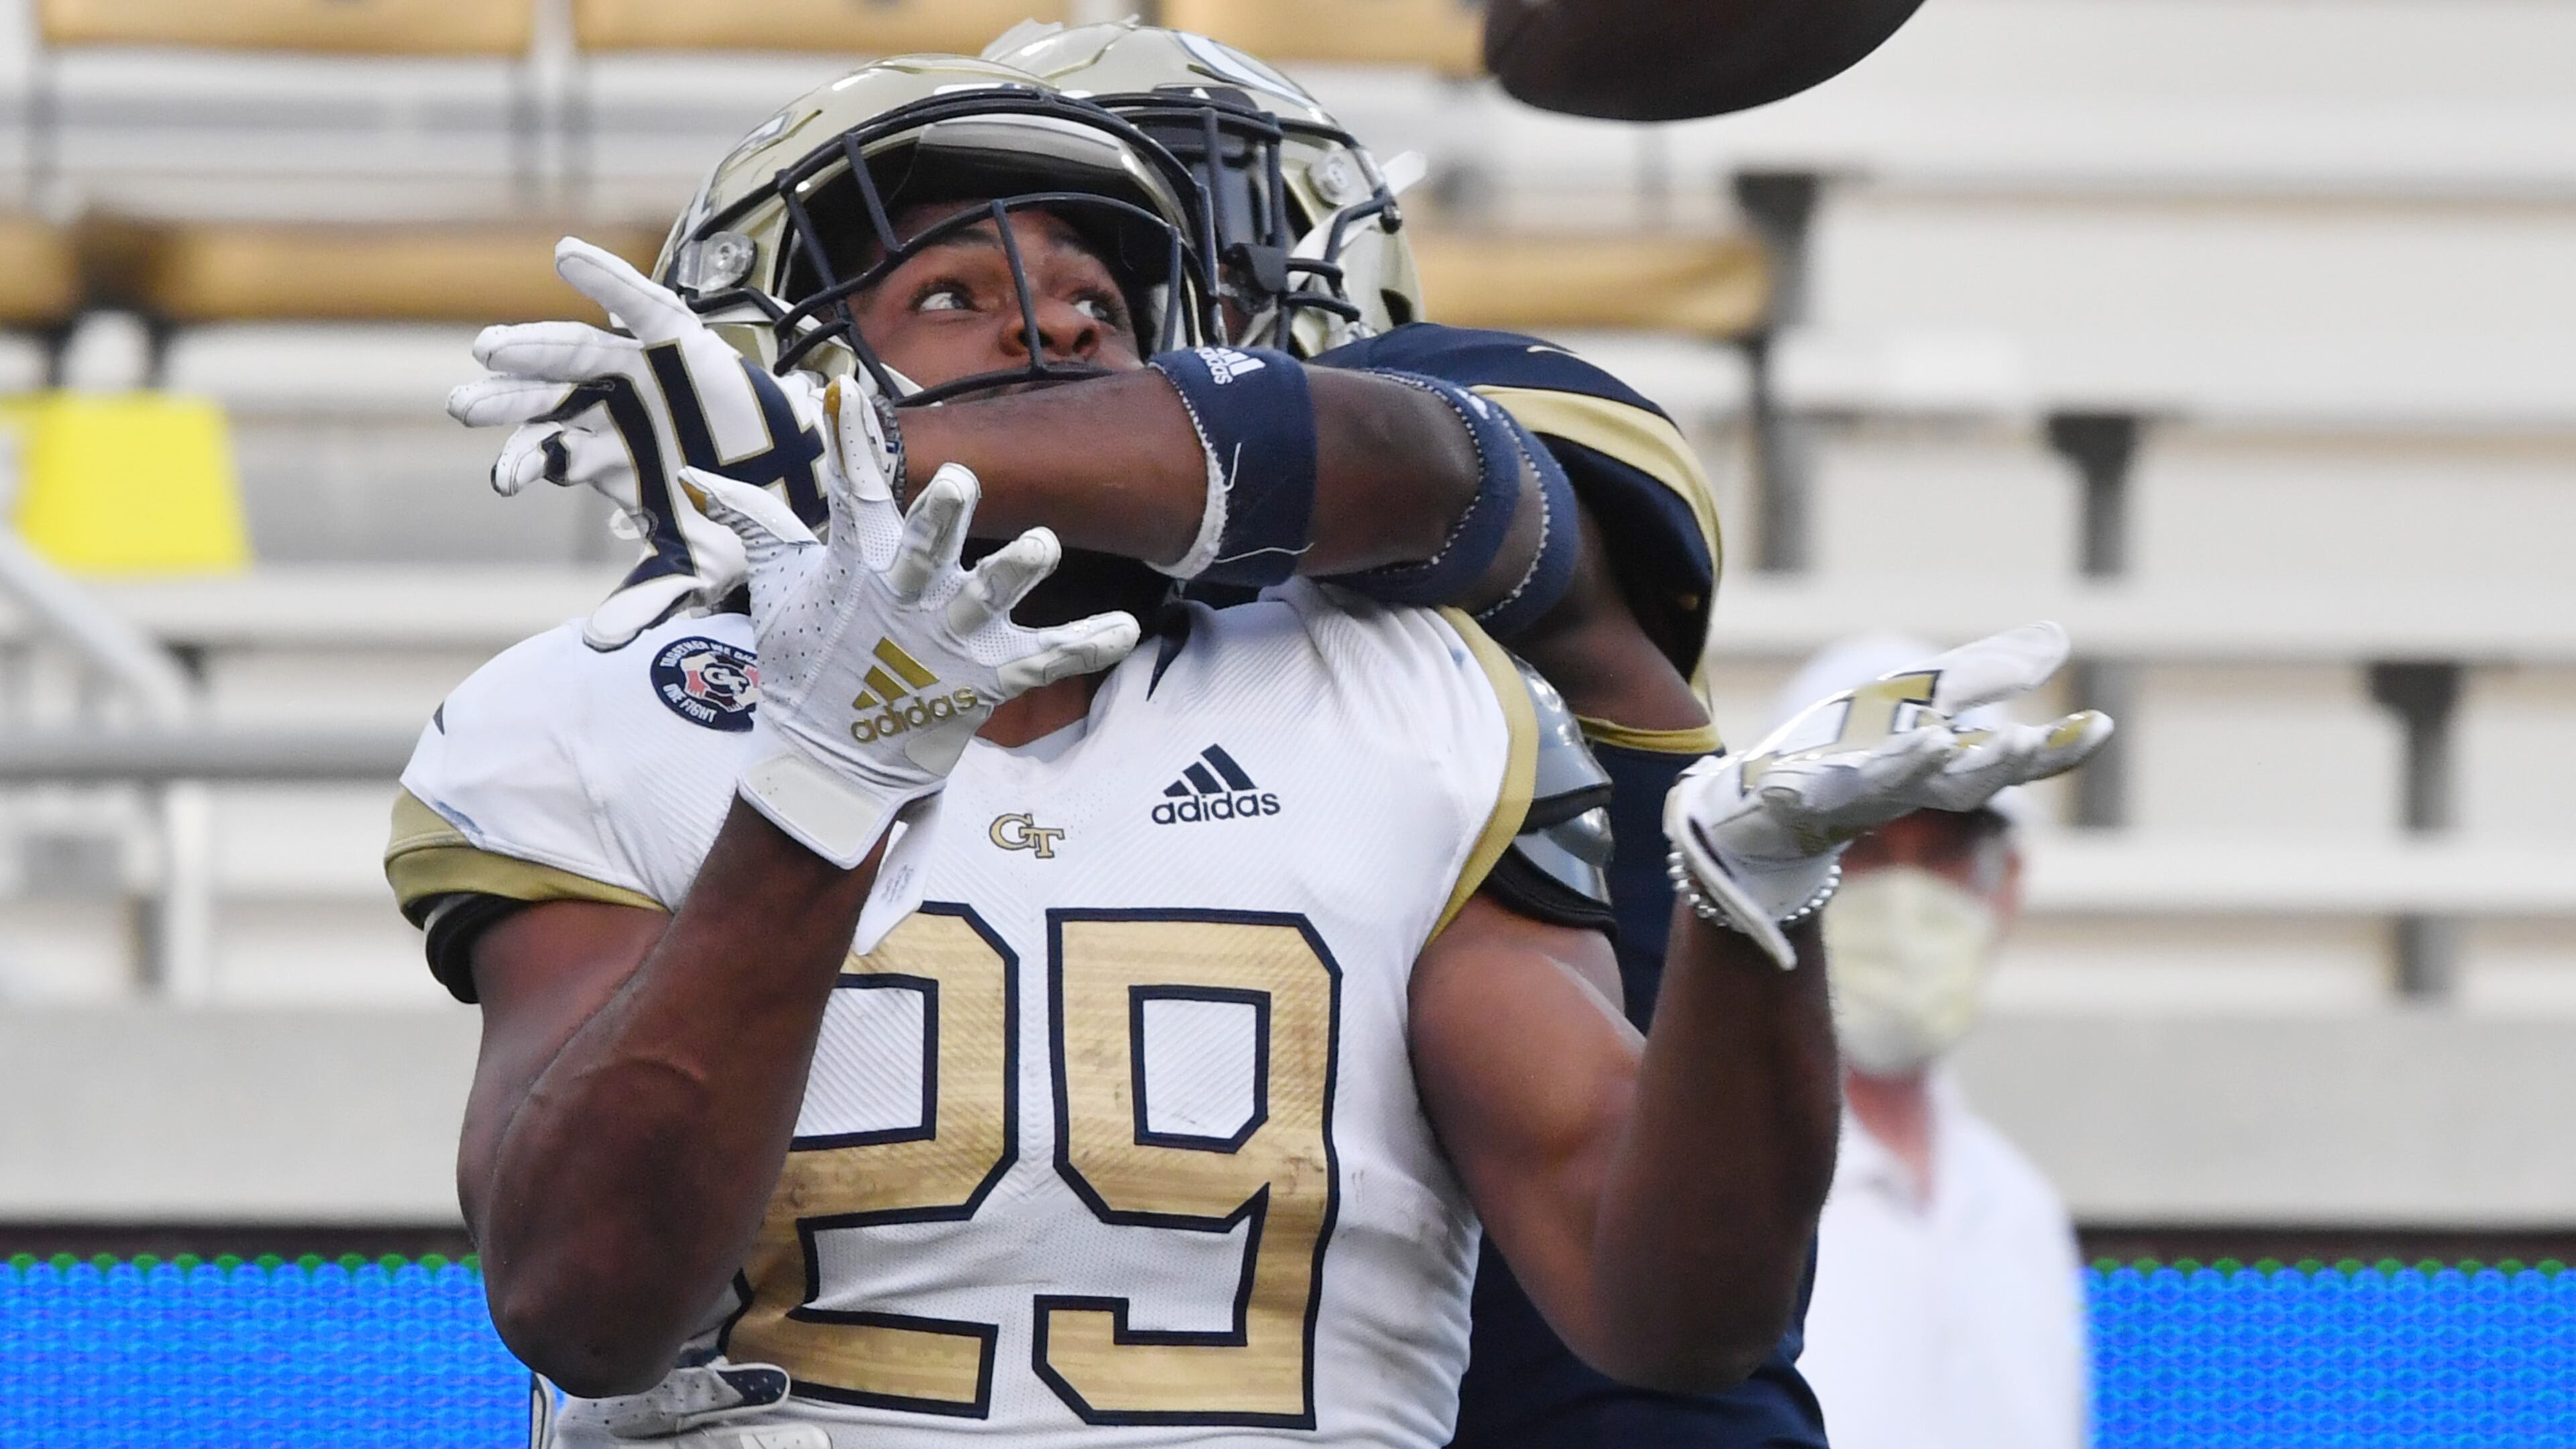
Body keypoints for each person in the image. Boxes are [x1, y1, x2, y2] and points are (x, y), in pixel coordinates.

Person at [400, 58, 2106, 1449]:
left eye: (1095, 296)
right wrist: (826, 774)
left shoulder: (1407, 682)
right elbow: (576, 1293)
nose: (1057, 327)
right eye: (953, 287)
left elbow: (1678, 1315)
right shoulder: (609, 698)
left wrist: (1760, 920)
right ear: (782, 343)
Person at [1777, 636, 2092, 1449]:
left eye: (1946, 849)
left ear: (2006, 885)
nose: (1907, 891)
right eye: (1867, 845)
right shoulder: (1714, 1189)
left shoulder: (2020, 1214)